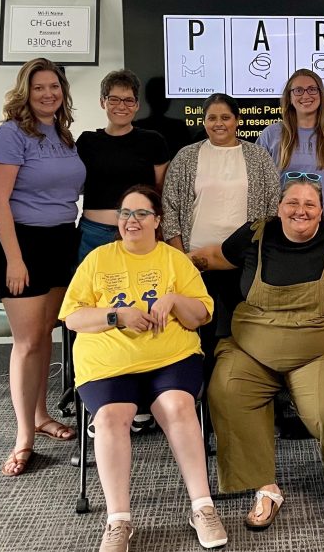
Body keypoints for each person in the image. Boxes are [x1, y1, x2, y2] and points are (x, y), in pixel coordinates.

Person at [188, 175, 324, 530]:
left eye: (309, 204)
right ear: (278, 207)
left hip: (322, 349)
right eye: (292, 203)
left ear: (323, 210)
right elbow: (215, 256)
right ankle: (265, 487)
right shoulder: (255, 235)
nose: (300, 211)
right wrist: (170, 263)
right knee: (227, 390)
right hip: (252, 347)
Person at [60, 186, 228, 550]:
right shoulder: (98, 259)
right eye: (125, 214)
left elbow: (202, 314)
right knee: (109, 419)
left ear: (157, 220)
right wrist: (116, 315)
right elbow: (72, 317)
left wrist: (174, 300)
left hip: (170, 359)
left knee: (179, 406)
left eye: (140, 214)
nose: (131, 221)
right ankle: (118, 520)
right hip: (108, 363)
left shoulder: (174, 260)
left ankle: (202, 507)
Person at [0, 57, 86, 476]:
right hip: (20, 243)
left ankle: (42, 414)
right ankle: (24, 435)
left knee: (46, 334)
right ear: (25, 91)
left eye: (55, 88)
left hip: (62, 239)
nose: (48, 94)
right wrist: (14, 258)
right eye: (39, 87)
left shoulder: (63, 135)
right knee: (26, 342)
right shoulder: (9, 135)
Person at [161, 92, 280, 358]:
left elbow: (274, 205)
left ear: (237, 120)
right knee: (202, 333)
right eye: (211, 118)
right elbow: (170, 208)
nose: (219, 123)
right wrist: (181, 259)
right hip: (196, 263)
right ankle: (202, 391)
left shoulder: (259, 157)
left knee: (243, 333)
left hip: (245, 262)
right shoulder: (187, 157)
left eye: (225, 117)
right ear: (203, 122)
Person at [76, 69, 169, 263]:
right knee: (90, 292)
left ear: (136, 105)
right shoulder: (87, 141)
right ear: (103, 102)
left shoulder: (153, 141)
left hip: (138, 232)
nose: (122, 106)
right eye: (114, 99)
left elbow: (160, 192)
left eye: (128, 100)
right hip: (94, 234)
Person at [256, 69, 324, 223]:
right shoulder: (270, 135)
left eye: (312, 89)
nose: (306, 95)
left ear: (321, 94)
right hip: (281, 226)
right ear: (290, 97)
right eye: (298, 90)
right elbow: (259, 188)